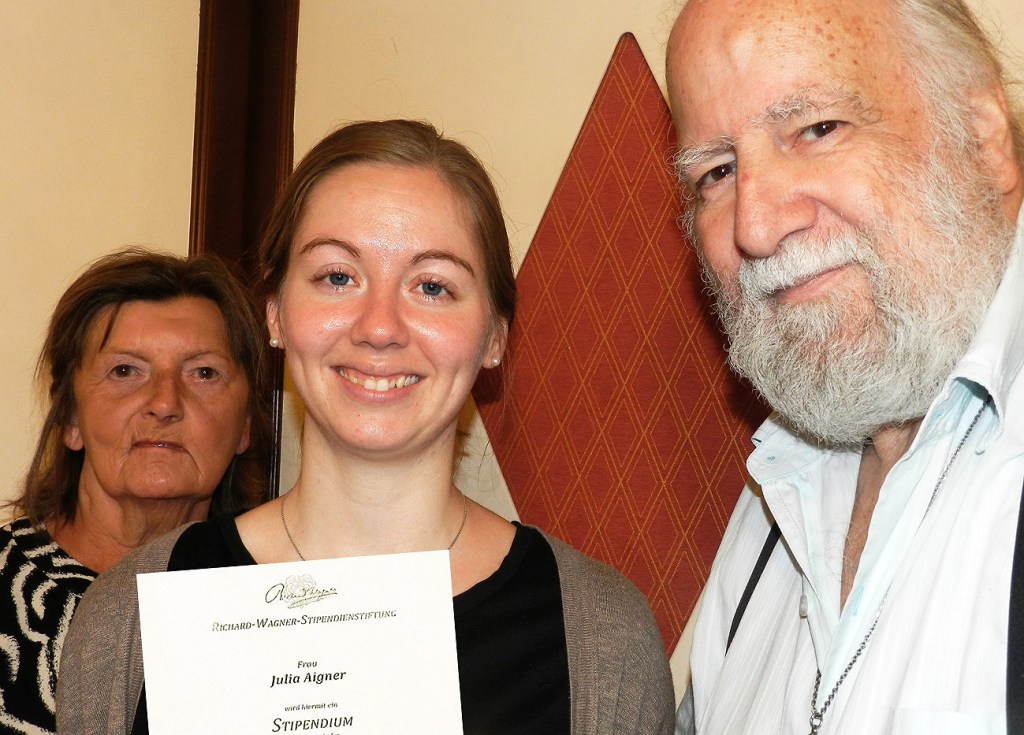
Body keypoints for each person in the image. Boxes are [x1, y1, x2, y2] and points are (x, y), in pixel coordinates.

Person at [56, 120, 675, 734]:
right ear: (274, 314)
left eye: (432, 286)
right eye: (338, 277)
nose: (379, 327)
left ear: (494, 336)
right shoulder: (128, 619)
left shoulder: (601, 637)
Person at [664, 0, 1024, 732]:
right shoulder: (769, 504)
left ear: (983, 135)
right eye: (717, 172)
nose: (756, 226)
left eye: (817, 129)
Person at [0, 248, 270, 734]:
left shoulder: (289, 604)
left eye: (203, 373)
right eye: (125, 371)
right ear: (70, 417)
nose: (165, 403)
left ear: (246, 423)